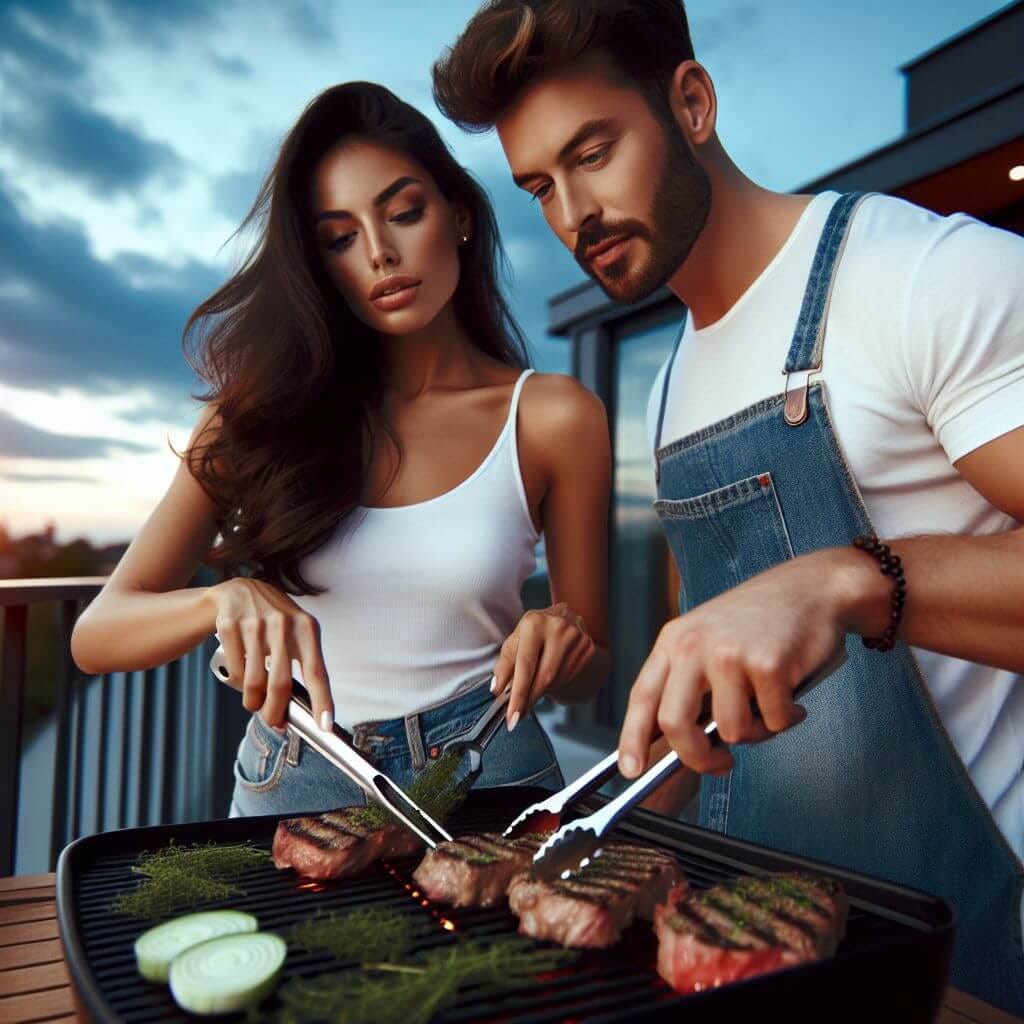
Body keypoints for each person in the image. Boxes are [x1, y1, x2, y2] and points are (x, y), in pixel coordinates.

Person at [432, 1, 1024, 1012]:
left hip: (959, 958)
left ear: (692, 103)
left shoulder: (924, 275)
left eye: (593, 152)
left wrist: (848, 577)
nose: (573, 214)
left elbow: (812, 596)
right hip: (749, 936)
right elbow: (717, 677)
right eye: (539, 186)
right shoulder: (670, 381)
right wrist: (596, 822)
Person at [71, 81, 611, 820]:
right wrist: (223, 598)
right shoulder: (258, 418)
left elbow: (589, 679)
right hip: (295, 776)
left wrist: (565, 631)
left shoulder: (552, 417)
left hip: (489, 768)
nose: (382, 254)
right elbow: (98, 634)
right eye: (340, 238)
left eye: (403, 213)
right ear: (319, 263)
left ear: (456, 216)